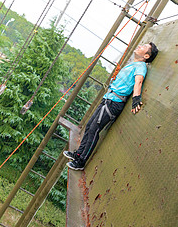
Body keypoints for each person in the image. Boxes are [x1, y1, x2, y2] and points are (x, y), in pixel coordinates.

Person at [64, 42, 159, 171]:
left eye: (144, 47)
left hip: (114, 103)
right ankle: (78, 154)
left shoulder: (141, 66)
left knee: (94, 130)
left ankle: (81, 162)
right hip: (108, 99)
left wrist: (136, 98)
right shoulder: (133, 64)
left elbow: (139, 81)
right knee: (89, 126)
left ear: (146, 56)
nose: (140, 46)